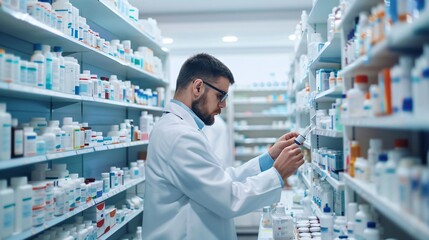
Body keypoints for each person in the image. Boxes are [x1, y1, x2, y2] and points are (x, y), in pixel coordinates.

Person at [142, 53, 304, 239]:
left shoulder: (178, 128)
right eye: (220, 95)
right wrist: (277, 173)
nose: (224, 104)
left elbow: (220, 179)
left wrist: (269, 159)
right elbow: (229, 199)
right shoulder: (180, 136)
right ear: (197, 87)